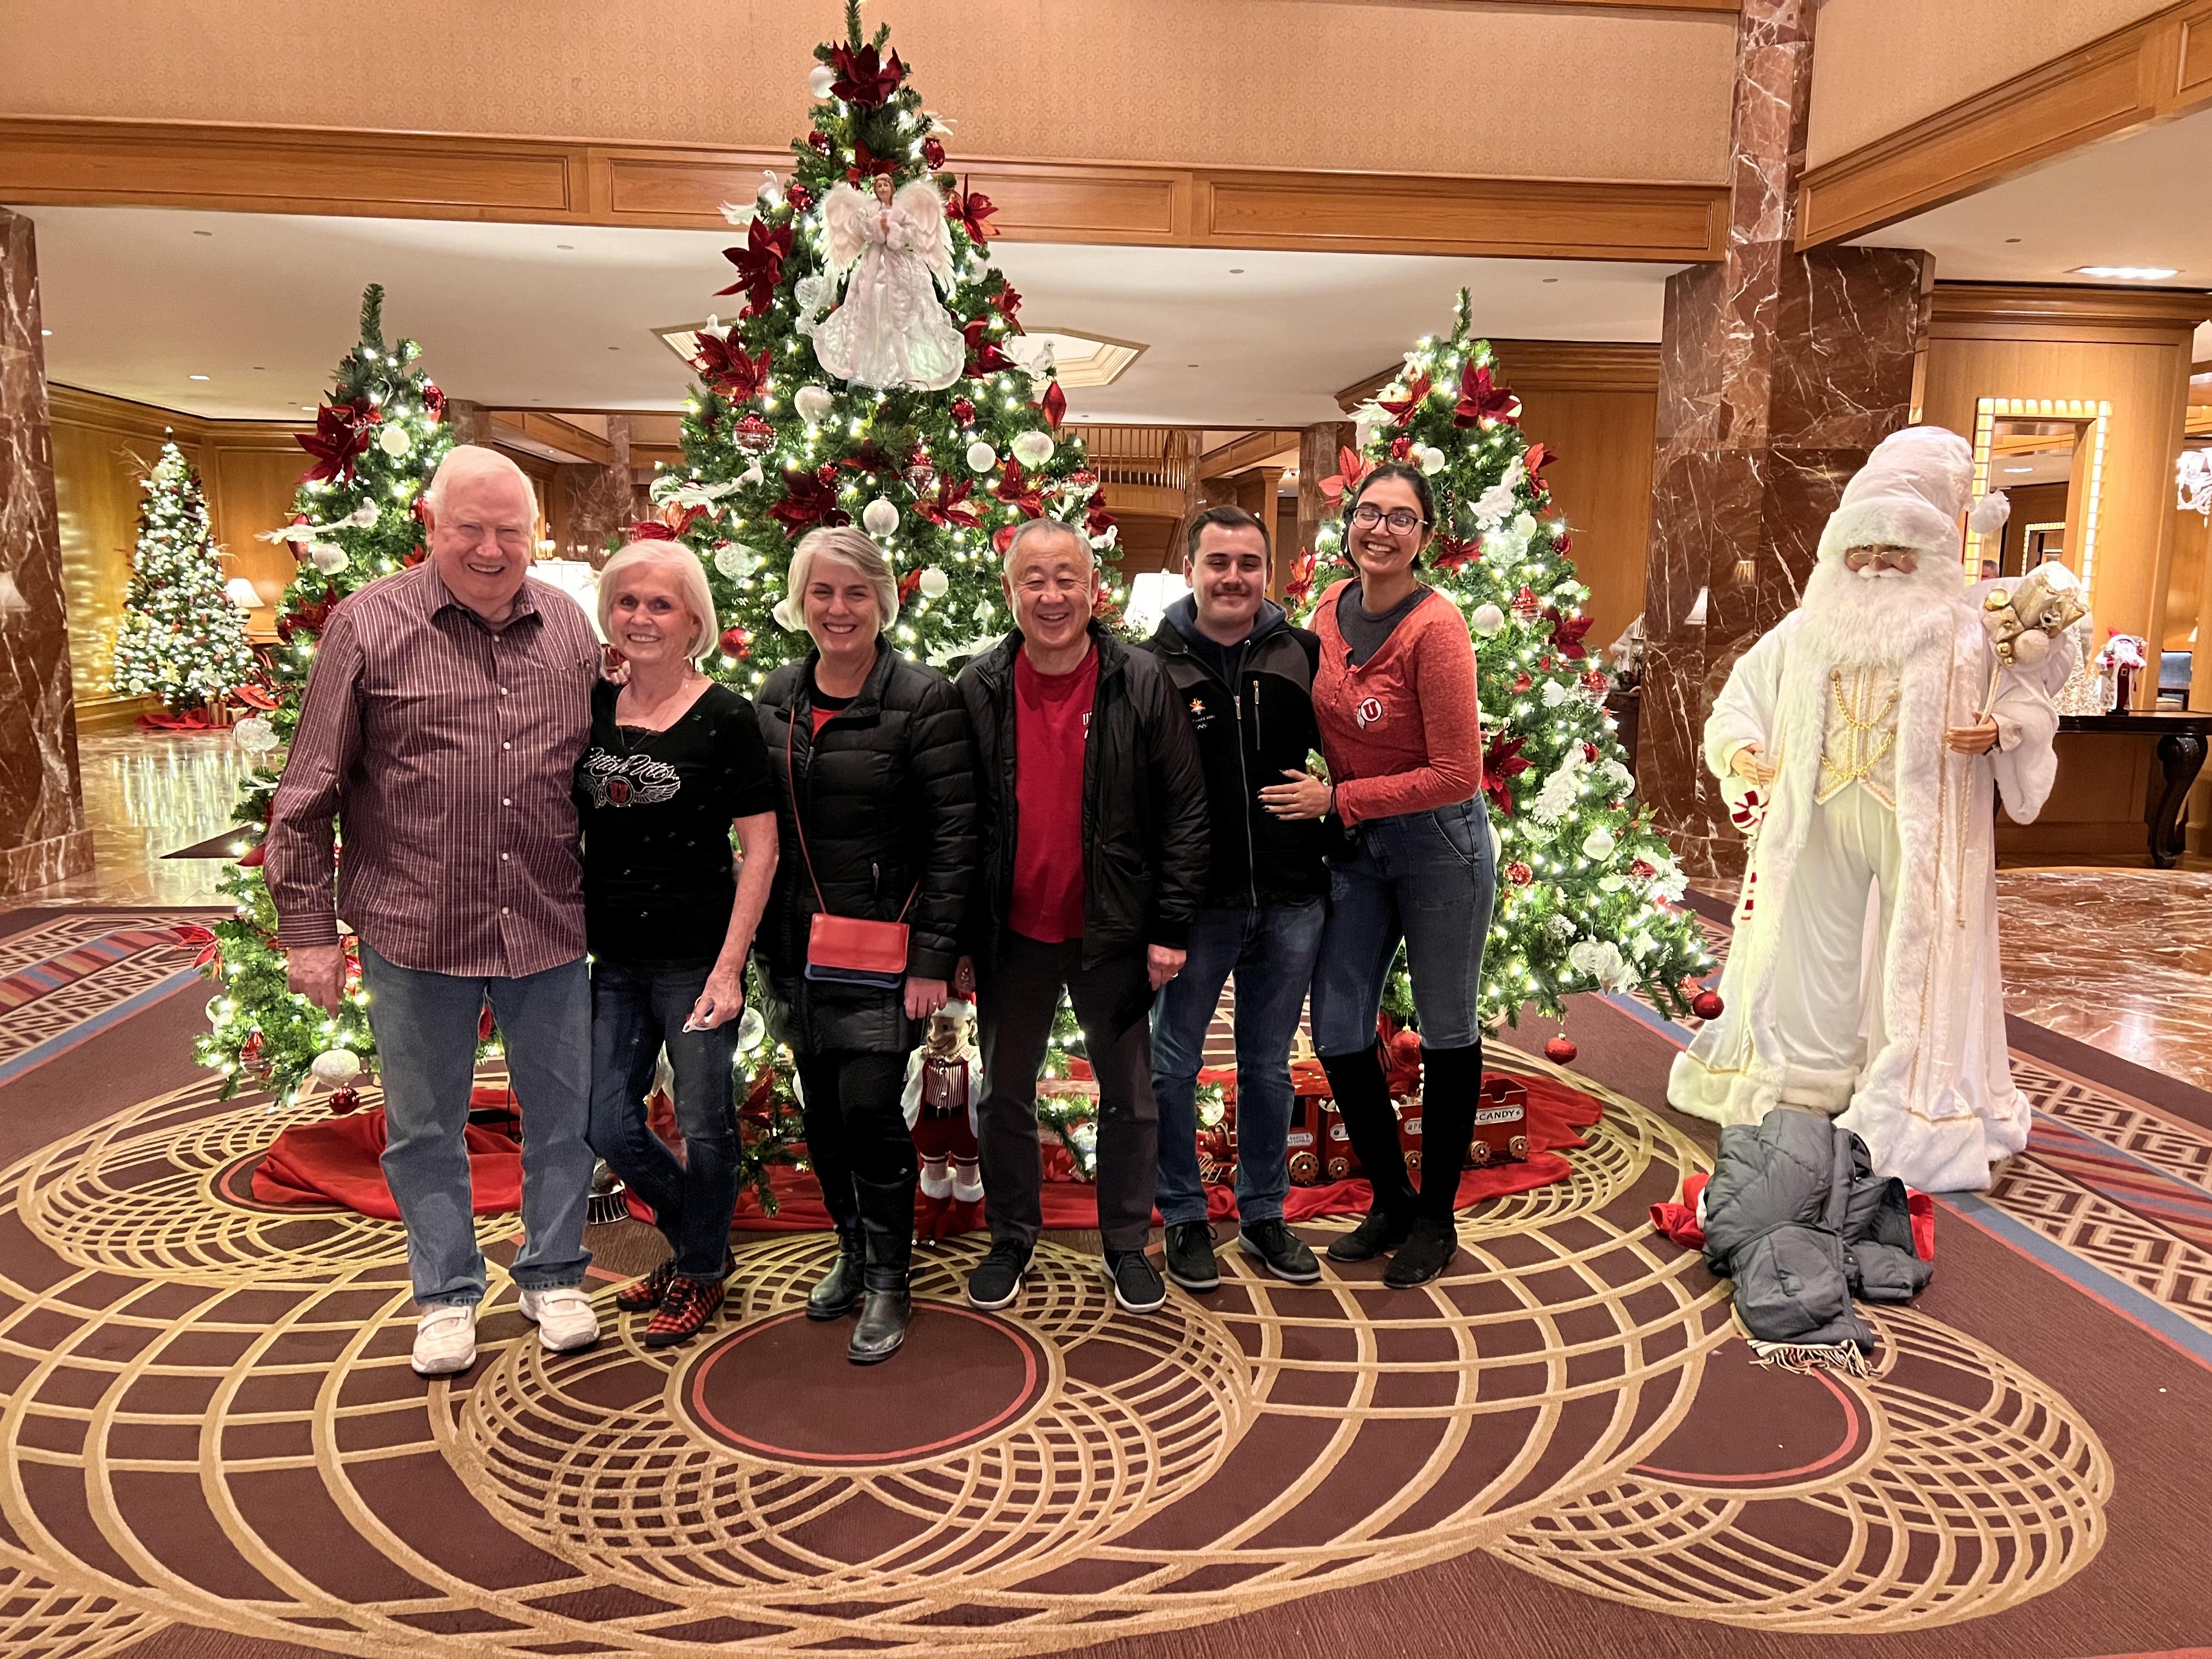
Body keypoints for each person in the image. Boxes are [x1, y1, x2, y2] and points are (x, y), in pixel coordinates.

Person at [265, 445, 602, 1376]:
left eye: (510, 530)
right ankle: (447, 1292)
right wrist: (307, 934)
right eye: (471, 529)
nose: (491, 549)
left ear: (533, 534)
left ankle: (553, 1272)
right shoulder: (367, 626)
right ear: (431, 524)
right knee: (423, 1128)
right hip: (416, 926)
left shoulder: (570, 628)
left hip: (547, 922)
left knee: (562, 1120)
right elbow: (307, 793)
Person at [1669, 426, 2063, 1193]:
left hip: (1921, 828)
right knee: (1813, 946)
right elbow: (1739, 699)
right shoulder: (1807, 628)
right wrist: (1742, 749)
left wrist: (2003, 730)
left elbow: (2031, 704)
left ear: (1929, 558)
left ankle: (1906, 1086)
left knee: (1913, 959)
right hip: (1815, 819)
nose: (1876, 566)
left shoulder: (1969, 632)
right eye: (1863, 551)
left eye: (1896, 554)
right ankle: (1811, 1074)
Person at [956, 518, 1210, 1316]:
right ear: (1010, 592)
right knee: (1004, 1094)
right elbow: (955, 824)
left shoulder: (1142, 682)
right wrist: (960, 940)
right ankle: (1011, 1237)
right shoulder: (977, 687)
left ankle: (1127, 1244)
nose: (1052, 595)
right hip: (1013, 937)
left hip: (1117, 935)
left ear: (1092, 587)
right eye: (1034, 579)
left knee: (1131, 1097)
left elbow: (1186, 814)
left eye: (1066, 577)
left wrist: (1171, 927)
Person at [755, 526, 976, 1364]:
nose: (838, 609)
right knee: (823, 1114)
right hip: (796, 950)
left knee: (870, 1113)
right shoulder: (777, 693)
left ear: (883, 602)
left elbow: (957, 839)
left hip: (885, 952)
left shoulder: (925, 699)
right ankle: (852, 1249)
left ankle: (891, 1277)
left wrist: (931, 961)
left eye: (855, 593)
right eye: (822, 592)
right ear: (800, 600)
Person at [1286, 462, 1491, 1289]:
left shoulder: (1436, 630)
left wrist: (1340, 798)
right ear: (1348, 523)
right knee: (1337, 1028)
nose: (1380, 529)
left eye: (1401, 518)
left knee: (1447, 1028)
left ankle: (1436, 1216)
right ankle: (1393, 1198)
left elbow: (1458, 773)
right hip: (1360, 853)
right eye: (1369, 512)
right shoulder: (1326, 611)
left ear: (1424, 536)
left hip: (1438, 846)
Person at [582, 538, 780, 1348]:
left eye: (661, 603)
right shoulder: (593, 705)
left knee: (704, 1122)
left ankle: (697, 1270)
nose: (641, 617)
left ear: (695, 619)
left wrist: (731, 971)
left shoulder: (728, 718)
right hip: (611, 959)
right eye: (627, 601)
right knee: (605, 1122)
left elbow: (760, 850)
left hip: (698, 958)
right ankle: (705, 1244)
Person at [1139, 504, 1329, 1293]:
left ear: (1267, 572)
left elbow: (1363, 747)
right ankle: (1184, 1212)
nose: (1233, 578)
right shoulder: (1149, 665)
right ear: (1190, 570)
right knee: (1172, 1065)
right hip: (1198, 906)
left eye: (1248, 563)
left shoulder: (1304, 653)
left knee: (1268, 1068)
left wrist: (1336, 792)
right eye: (1218, 562)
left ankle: (1262, 1214)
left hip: (1291, 898)